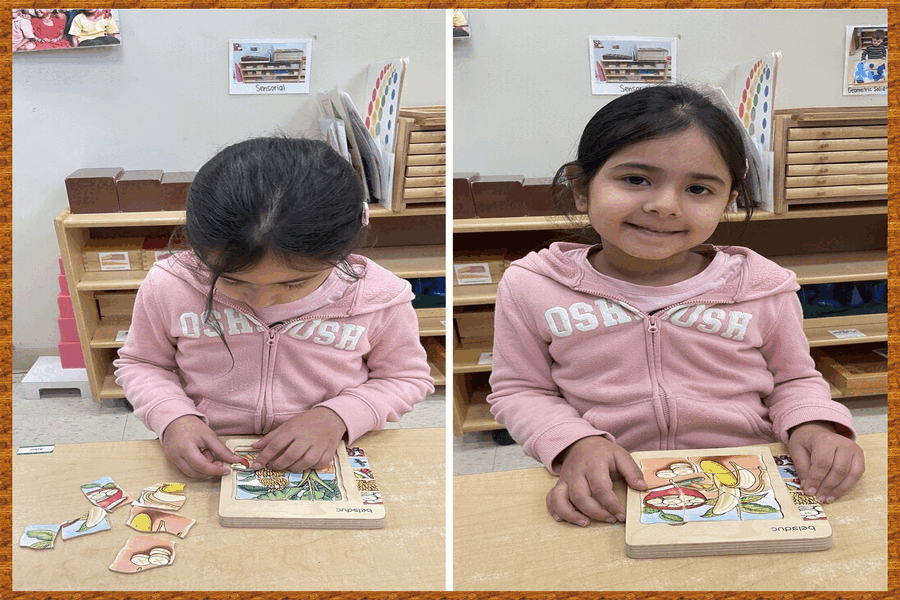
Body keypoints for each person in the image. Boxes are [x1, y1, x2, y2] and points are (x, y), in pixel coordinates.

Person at [487, 84, 864, 528]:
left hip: (746, 478)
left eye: (699, 189)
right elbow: (521, 391)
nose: (664, 205)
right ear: (582, 188)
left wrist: (815, 425)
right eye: (635, 179)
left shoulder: (762, 288)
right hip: (610, 483)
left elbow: (795, 379)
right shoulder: (531, 285)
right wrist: (574, 443)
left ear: (729, 200)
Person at [114, 137, 434, 479]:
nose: (261, 302)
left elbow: (405, 377)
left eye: (293, 283)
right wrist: (173, 417)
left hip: (331, 448)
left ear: (341, 248)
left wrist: (339, 416)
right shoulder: (169, 284)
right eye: (234, 281)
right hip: (211, 449)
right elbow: (142, 363)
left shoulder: (379, 297)